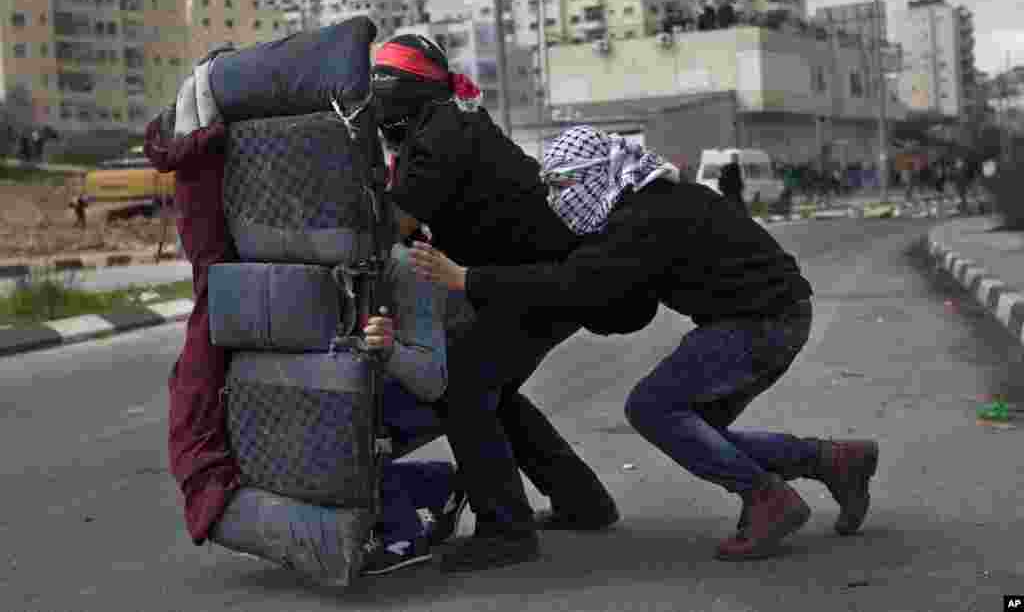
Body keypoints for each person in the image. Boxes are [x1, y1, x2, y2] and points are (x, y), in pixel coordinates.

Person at [409, 125, 882, 561]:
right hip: (773, 317)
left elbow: (576, 282)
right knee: (699, 430)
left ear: (597, 175)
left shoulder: (641, 219)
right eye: (549, 188)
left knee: (652, 407)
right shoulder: (650, 205)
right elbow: (626, 305)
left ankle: (767, 497)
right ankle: (833, 461)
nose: (555, 200)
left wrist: (469, 280)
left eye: (563, 186)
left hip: (759, 323)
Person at [142, 108, 468, 580]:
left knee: (327, 427)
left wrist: (388, 348)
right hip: (348, 393)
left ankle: (399, 535)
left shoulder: (403, 268)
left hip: (411, 395)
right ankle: (433, 486)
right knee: (277, 426)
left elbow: (435, 383)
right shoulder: (287, 267)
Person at [370, 34, 654, 572]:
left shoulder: (440, 134)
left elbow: (394, 224)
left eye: (383, 85)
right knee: (492, 392)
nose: (378, 97)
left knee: (463, 386)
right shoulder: (444, 124)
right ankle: (582, 500)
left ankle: (506, 529)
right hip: (541, 276)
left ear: (405, 90)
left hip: (543, 281)